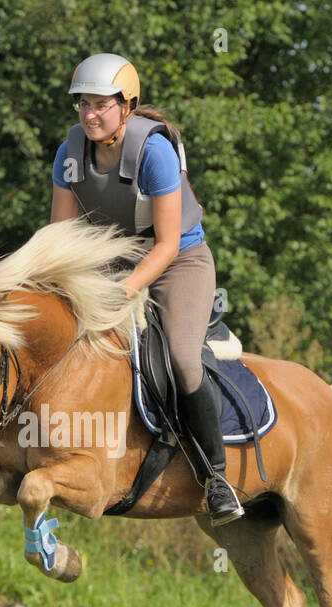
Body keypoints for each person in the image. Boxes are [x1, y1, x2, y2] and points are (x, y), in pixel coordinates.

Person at [50, 52, 244, 525]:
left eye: (100, 105)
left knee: (180, 356)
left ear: (127, 105)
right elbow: (58, 236)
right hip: (109, 261)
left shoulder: (154, 152)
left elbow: (168, 243)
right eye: (83, 105)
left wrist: (124, 291)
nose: (89, 115)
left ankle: (215, 478)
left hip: (178, 262)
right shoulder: (69, 154)